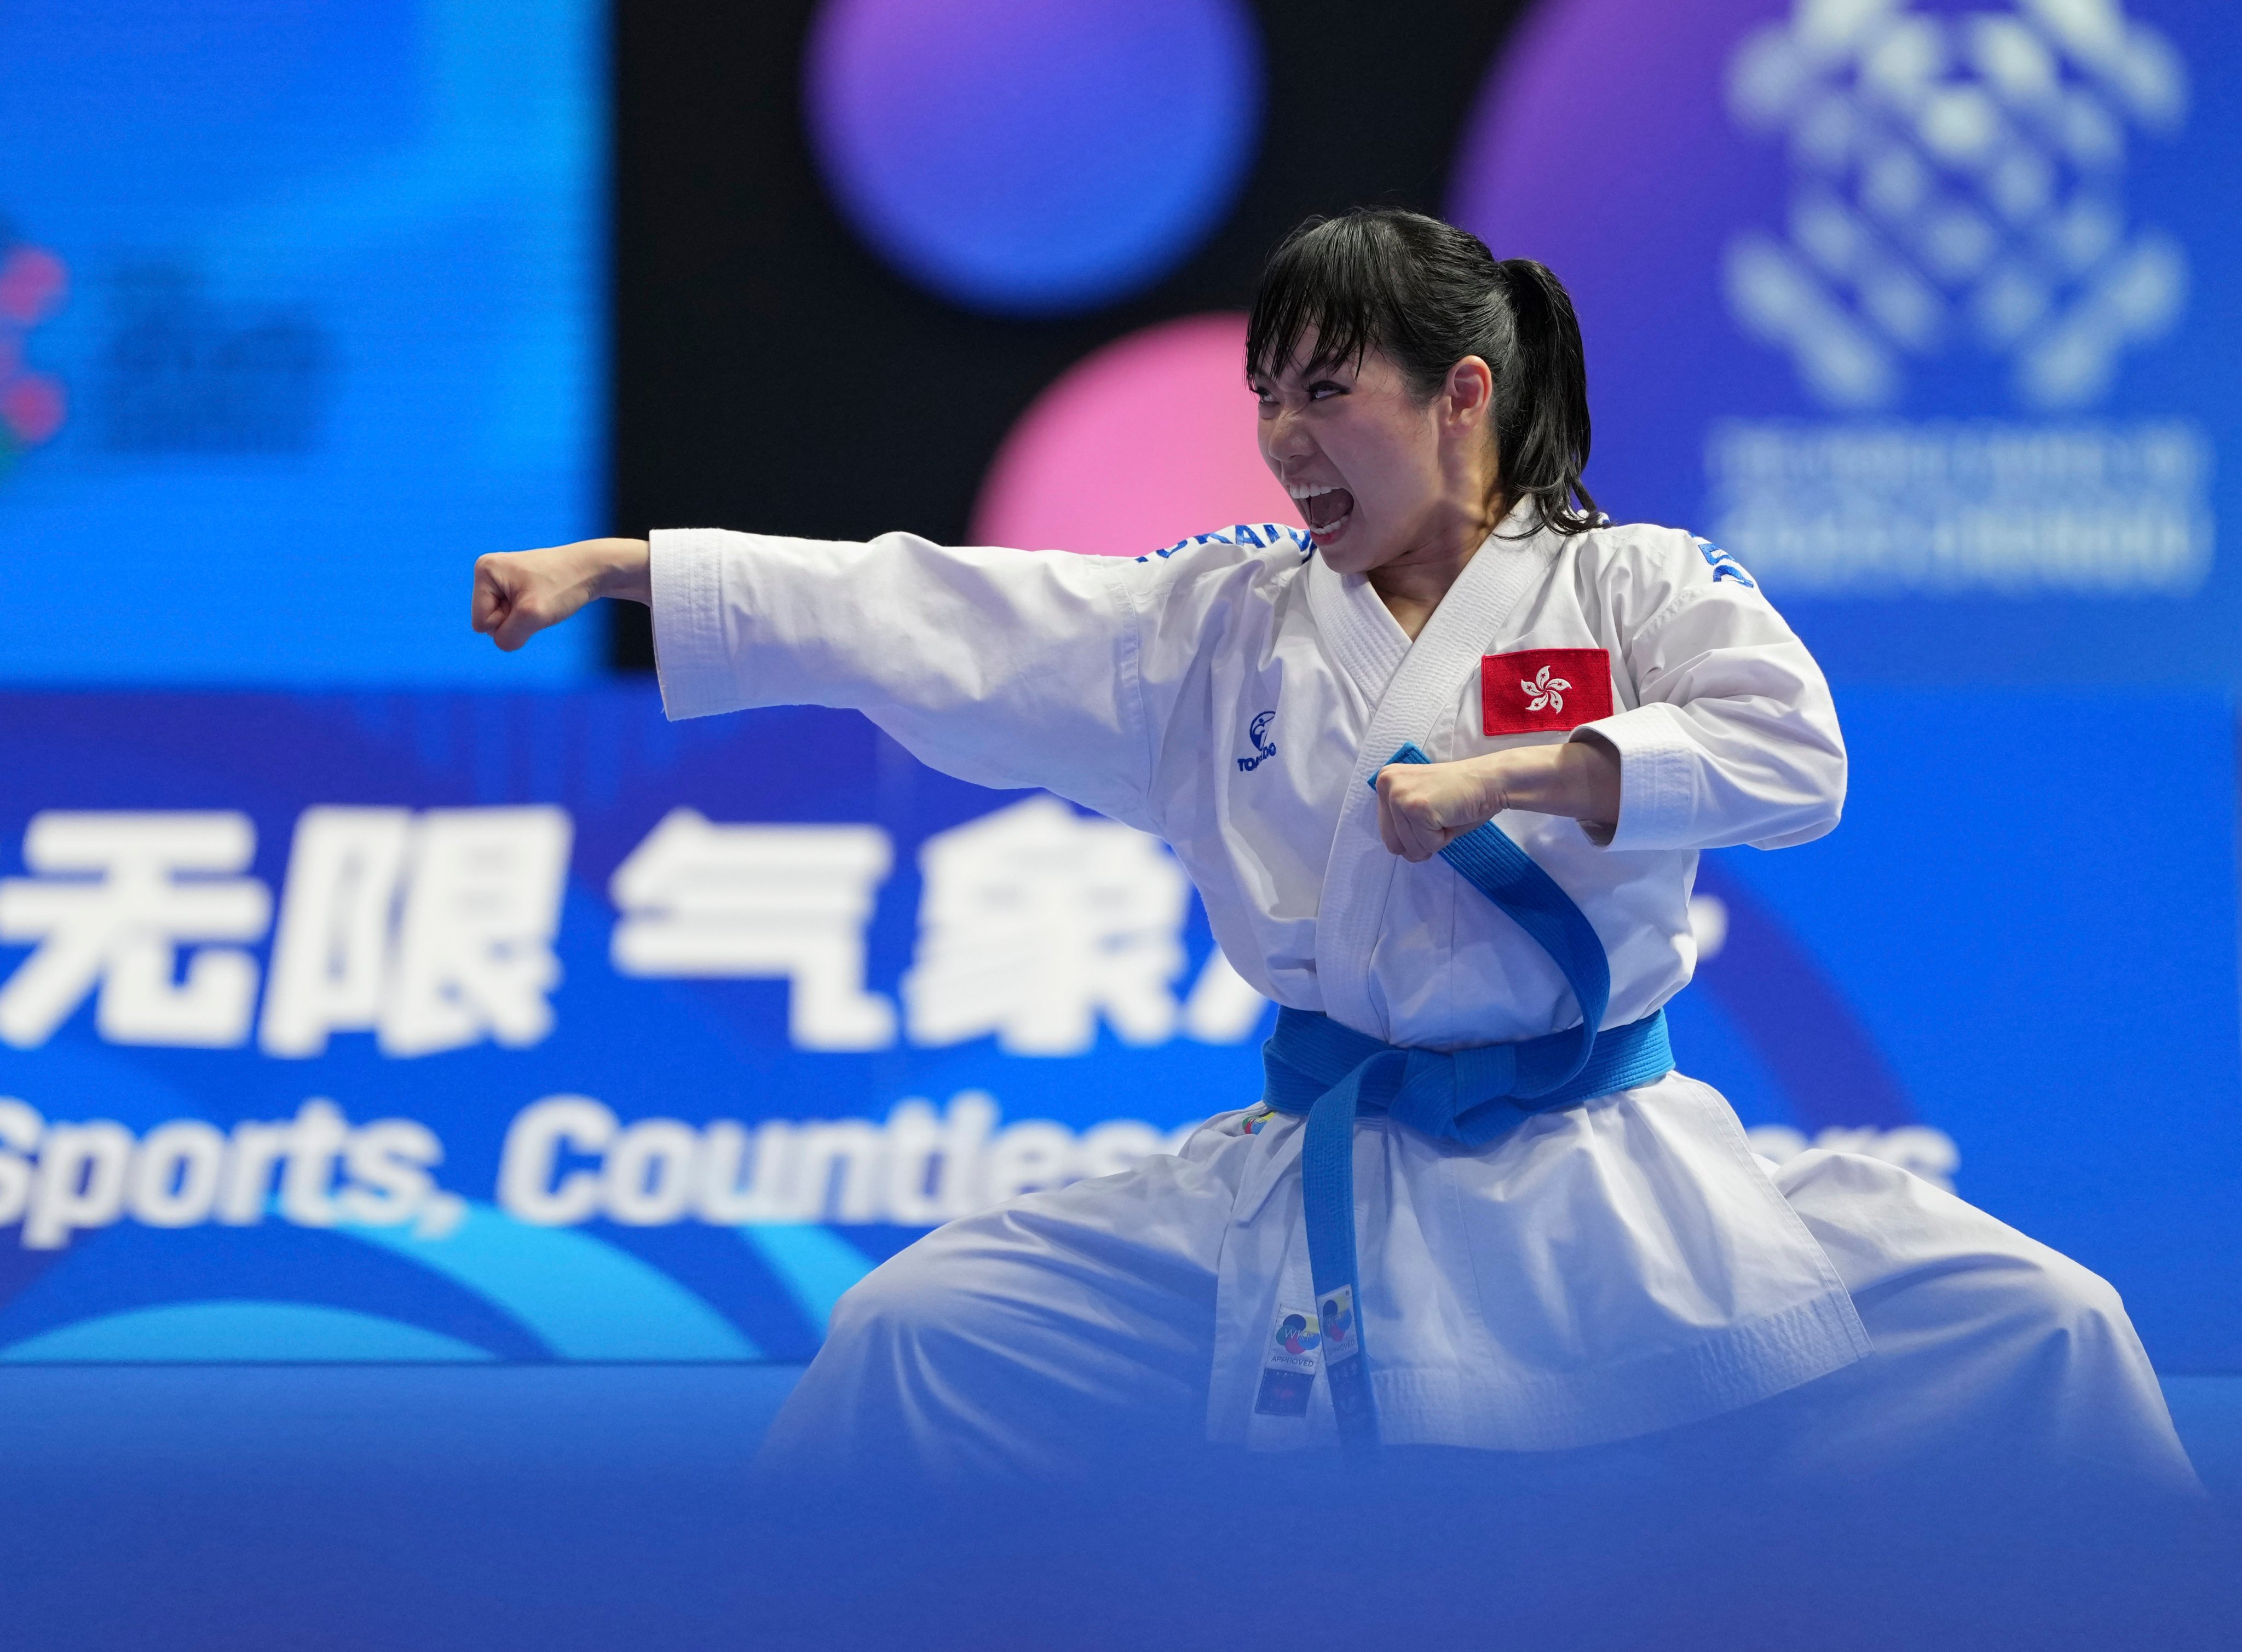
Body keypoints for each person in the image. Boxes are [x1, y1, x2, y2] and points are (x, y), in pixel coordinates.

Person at [471, 209, 2194, 1494]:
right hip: (1323, 1178)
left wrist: (1518, 774)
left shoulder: (1635, 582)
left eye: (1324, 390)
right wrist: (629, 569)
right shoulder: (1221, 620)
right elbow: (936, 612)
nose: (1284, 437)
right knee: (912, 1336)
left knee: (2046, 1328)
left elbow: (1793, 750)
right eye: (1264, 398)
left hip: (1617, 1170)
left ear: (1461, 397)